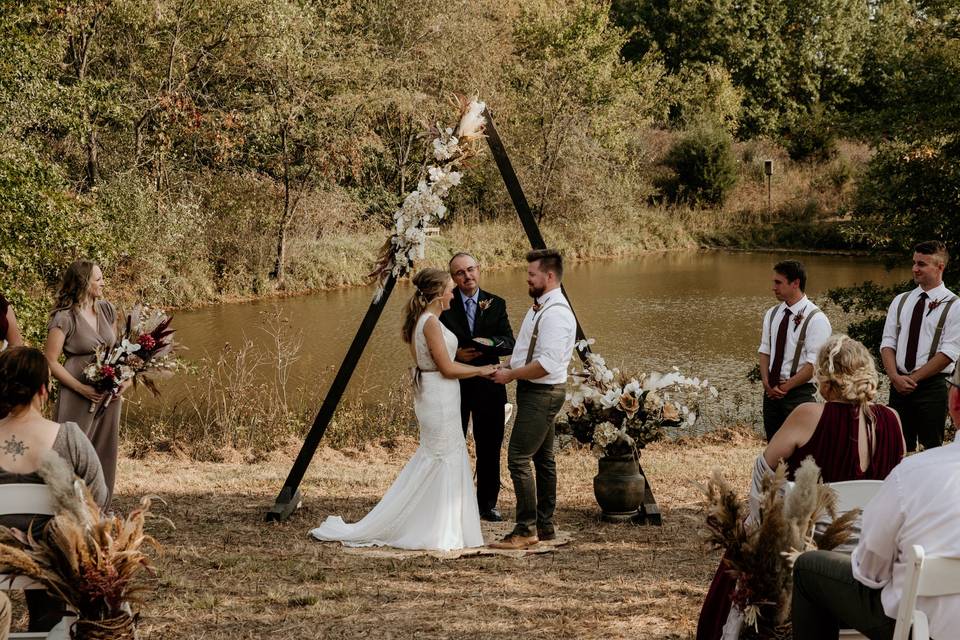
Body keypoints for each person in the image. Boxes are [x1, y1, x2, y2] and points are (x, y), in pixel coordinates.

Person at [698, 335, 905, 640]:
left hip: (805, 559)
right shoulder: (893, 420)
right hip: (873, 562)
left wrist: (760, 526)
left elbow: (763, 480)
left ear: (824, 382)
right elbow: (897, 490)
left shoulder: (809, 415)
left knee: (742, 546)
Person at [309, 268, 498, 551]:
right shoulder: (430, 322)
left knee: (442, 454)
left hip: (438, 393)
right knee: (442, 456)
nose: (453, 292)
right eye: (449, 288)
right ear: (437, 294)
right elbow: (445, 367)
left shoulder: (426, 319)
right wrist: (481, 370)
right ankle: (437, 528)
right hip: (439, 396)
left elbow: (437, 362)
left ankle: (444, 523)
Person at [792, 425, 960, 639]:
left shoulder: (913, 472)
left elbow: (870, 572)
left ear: (956, 403)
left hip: (920, 629)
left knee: (808, 568)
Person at [0, 346, 108, 632]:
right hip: (53, 557)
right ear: (44, 391)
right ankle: (47, 626)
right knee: (60, 539)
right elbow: (97, 499)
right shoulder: (69, 437)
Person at [489, 249, 577, 550]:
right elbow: (526, 350)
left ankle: (526, 529)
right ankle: (545, 527)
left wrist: (510, 376)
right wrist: (507, 366)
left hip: (543, 393)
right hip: (535, 391)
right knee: (542, 458)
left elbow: (546, 365)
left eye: (531, 274)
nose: (526, 278)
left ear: (549, 276)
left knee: (518, 458)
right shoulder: (539, 308)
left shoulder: (556, 315)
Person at [44, 260, 130, 506]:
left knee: (105, 447)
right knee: (72, 451)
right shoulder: (64, 318)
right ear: (83, 282)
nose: (103, 282)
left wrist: (122, 378)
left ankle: (100, 508)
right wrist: (81, 388)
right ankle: (66, 507)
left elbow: (118, 351)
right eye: (98, 278)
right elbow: (51, 361)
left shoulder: (107, 310)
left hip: (108, 392)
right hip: (77, 391)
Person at [439, 252, 515, 522]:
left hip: (489, 384)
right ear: (453, 278)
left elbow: (509, 343)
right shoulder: (445, 305)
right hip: (455, 384)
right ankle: (453, 501)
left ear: (478, 270)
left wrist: (486, 343)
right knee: (452, 443)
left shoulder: (496, 303)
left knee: (489, 445)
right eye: (460, 273)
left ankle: (487, 504)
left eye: (470, 270)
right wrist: (455, 355)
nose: (467, 276)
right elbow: (436, 342)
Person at [881, 240, 959, 451]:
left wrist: (912, 379)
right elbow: (887, 342)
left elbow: (948, 353)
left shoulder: (955, 305)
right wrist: (895, 378)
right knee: (895, 447)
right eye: (914, 263)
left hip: (932, 388)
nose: (915, 268)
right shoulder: (901, 300)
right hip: (898, 385)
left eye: (922, 264)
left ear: (940, 267)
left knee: (932, 448)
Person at [758, 260, 832, 441]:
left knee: (801, 447)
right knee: (773, 446)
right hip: (771, 394)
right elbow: (765, 350)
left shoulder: (817, 319)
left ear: (795, 283)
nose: (773, 287)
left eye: (778, 283)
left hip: (800, 394)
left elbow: (814, 365)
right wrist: (767, 382)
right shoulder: (772, 314)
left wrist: (786, 387)